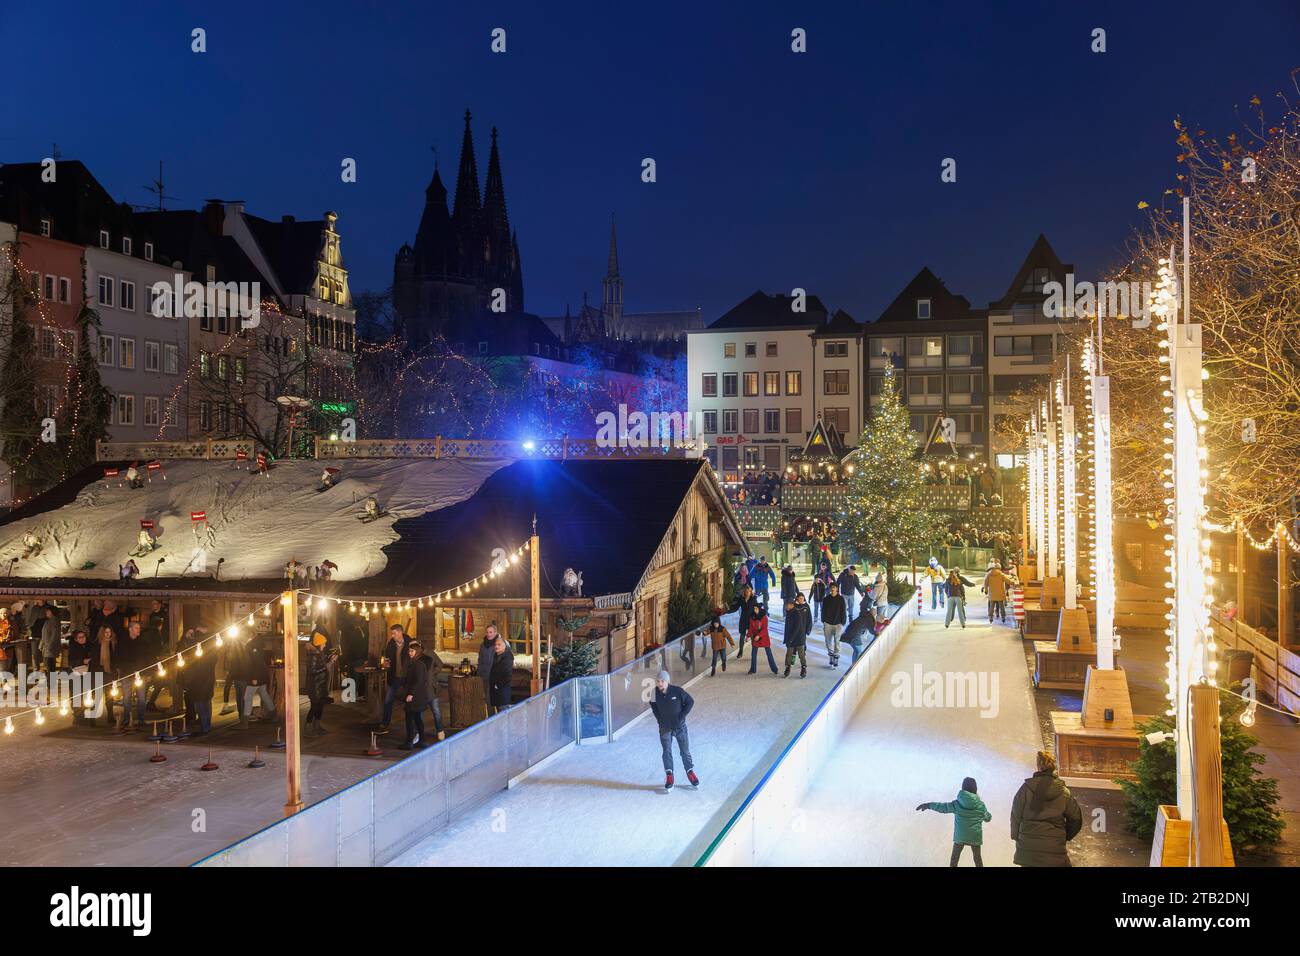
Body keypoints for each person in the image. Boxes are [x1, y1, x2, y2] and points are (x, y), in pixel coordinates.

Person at [1010, 751, 1082, 867]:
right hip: (1054, 850)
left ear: (1038, 766)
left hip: (1028, 849)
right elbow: (1076, 819)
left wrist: (1016, 835)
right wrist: (1064, 836)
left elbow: (1015, 815)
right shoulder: (1064, 792)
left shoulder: (1025, 789)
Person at [916, 777, 993, 867]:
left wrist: (928, 805)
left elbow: (943, 807)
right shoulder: (980, 806)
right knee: (977, 859)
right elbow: (988, 818)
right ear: (975, 788)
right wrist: (987, 815)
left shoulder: (957, 804)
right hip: (975, 837)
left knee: (954, 859)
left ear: (963, 788)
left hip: (960, 836)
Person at [649, 669, 697, 790]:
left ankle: (690, 771)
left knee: (685, 751)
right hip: (665, 727)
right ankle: (669, 774)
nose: (660, 684)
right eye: (658, 681)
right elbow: (653, 706)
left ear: (667, 681)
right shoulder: (654, 693)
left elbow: (690, 702)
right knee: (666, 751)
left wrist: (680, 717)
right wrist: (659, 719)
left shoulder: (677, 691)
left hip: (679, 727)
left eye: (662, 681)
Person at [113, 621, 151, 733]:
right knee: (126, 698)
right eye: (136, 628)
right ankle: (127, 719)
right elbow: (118, 658)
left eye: (139, 628)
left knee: (142, 698)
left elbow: (147, 658)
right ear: (130, 629)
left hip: (140, 674)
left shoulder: (143, 642)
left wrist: (147, 673)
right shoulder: (123, 642)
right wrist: (120, 671)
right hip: (127, 673)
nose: (138, 630)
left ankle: (141, 719)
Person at [377, 623, 413, 733]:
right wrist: (386, 663)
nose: (392, 635)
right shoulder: (391, 644)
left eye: (394, 633)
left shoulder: (410, 643)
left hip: (408, 677)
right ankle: (385, 723)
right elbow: (387, 657)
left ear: (400, 632)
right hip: (395, 677)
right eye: (392, 633)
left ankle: (411, 727)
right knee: (388, 700)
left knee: (410, 702)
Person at [186, 630, 219, 736]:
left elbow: (192, 664)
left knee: (201, 705)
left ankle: (204, 727)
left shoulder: (197, 652)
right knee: (206, 703)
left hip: (199, 681)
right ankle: (207, 726)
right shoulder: (212, 651)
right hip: (208, 680)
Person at [304, 632, 338, 735]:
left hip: (320, 685)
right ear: (319, 644)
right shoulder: (313, 655)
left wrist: (330, 660)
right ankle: (308, 728)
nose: (325, 645)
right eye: (323, 643)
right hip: (314, 686)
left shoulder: (319, 654)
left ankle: (317, 726)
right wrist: (327, 665)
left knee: (320, 705)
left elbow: (320, 665)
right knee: (314, 706)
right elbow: (312, 670)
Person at [398, 640, 429, 750]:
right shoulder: (414, 663)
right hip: (417, 696)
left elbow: (418, 681)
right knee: (417, 719)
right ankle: (421, 741)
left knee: (410, 719)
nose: (409, 653)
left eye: (412, 651)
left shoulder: (418, 665)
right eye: (409, 651)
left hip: (415, 697)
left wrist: (410, 694)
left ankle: (410, 742)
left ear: (417, 652)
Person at [243, 637, 277, 725]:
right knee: (264, 694)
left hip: (256, 676)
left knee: (248, 696)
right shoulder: (259, 645)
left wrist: (254, 677)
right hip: (262, 675)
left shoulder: (250, 646)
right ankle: (274, 714)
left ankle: (245, 721)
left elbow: (253, 663)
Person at [782, 592, 811, 678]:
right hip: (791, 637)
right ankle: (788, 667)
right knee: (789, 653)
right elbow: (787, 627)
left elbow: (797, 628)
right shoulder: (789, 613)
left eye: (787, 605)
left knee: (801, 654)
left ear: (792, 605)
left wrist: (790, 639)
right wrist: (786, 638)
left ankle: (803, 668)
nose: (786, 606)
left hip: (799, 637)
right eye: (786, 605)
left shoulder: (796, 613)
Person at [421, 644, 446, 741]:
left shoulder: (429, 653)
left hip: (431, 688)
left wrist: (432, 674)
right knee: (418, 713)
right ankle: (419, 733)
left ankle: (440, 731)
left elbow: (439, 664)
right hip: (419, 689)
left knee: (436, 711)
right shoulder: (413, 656)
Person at [745, 604, 779, 675]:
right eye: (754, 609)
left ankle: (774, 669)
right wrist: (748, 636)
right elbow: (751, 628)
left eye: (756, 609)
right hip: (755, 638)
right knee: (753, 654)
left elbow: (765, 629)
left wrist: (759, 635)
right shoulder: (752, 617)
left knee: (769, 653)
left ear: (760, 609)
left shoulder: (764, 617)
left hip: (764, 638)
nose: (755, 610)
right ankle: (753, 669)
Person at [821, 581, 847, 668]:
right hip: (828, 623)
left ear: (837, 589)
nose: (832, 589)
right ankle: (831, 655)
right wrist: (823, 620)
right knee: (828, 641)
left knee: (837, 641)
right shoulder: (826, 599)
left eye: (834, 587)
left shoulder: (841, 599)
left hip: (838, 623)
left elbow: (843, 611)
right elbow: (823, 610)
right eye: (831, 587)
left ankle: (836, 656)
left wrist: (843, 622)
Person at [489, 634, 513, 714]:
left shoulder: (507, 658)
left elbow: (507, 676)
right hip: (496, 692)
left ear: (504, 646)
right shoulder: (496, 656)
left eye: (499, 645)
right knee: (499, 713)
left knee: (503, 714)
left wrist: (497, 685)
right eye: (495, 645)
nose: (496, 646)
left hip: (502, 691)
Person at [477, 625, 499, 713]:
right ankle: (491, 719)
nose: (488, 634)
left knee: (497, 699)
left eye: (491, 632)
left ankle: (501, 719)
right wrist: (480, 672)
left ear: (495, 633)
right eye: (487, 632)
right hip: (485, 676)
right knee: (488, 699)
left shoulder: (500, 644)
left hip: (496, 677)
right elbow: (480, 659)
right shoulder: (483, 645)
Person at [735, 584, 757, 660]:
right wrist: (726, 610)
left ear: (751, 591)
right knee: (742, 636)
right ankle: (740, 651)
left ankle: (753, 653)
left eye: (749, 591)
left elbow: (756, 608)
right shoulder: (741, 599)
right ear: (744, 592)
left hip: (751, 620)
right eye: (746, 591)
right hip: (743, 619)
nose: (747, 593)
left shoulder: (753, 599)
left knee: (752, 637)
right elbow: (735, 608)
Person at [37, 606, 61, 674]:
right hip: (46, 647)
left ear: (52, 612)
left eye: (48, 611)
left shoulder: (55, 621)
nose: (46, 612)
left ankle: (51, 683)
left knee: (50, 667)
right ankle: (49, 682)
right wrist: (41, 645)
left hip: (50, 648)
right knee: (47, 667)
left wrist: (49, 646)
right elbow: (43, 634)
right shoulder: (48, 621)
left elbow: (54, 635)